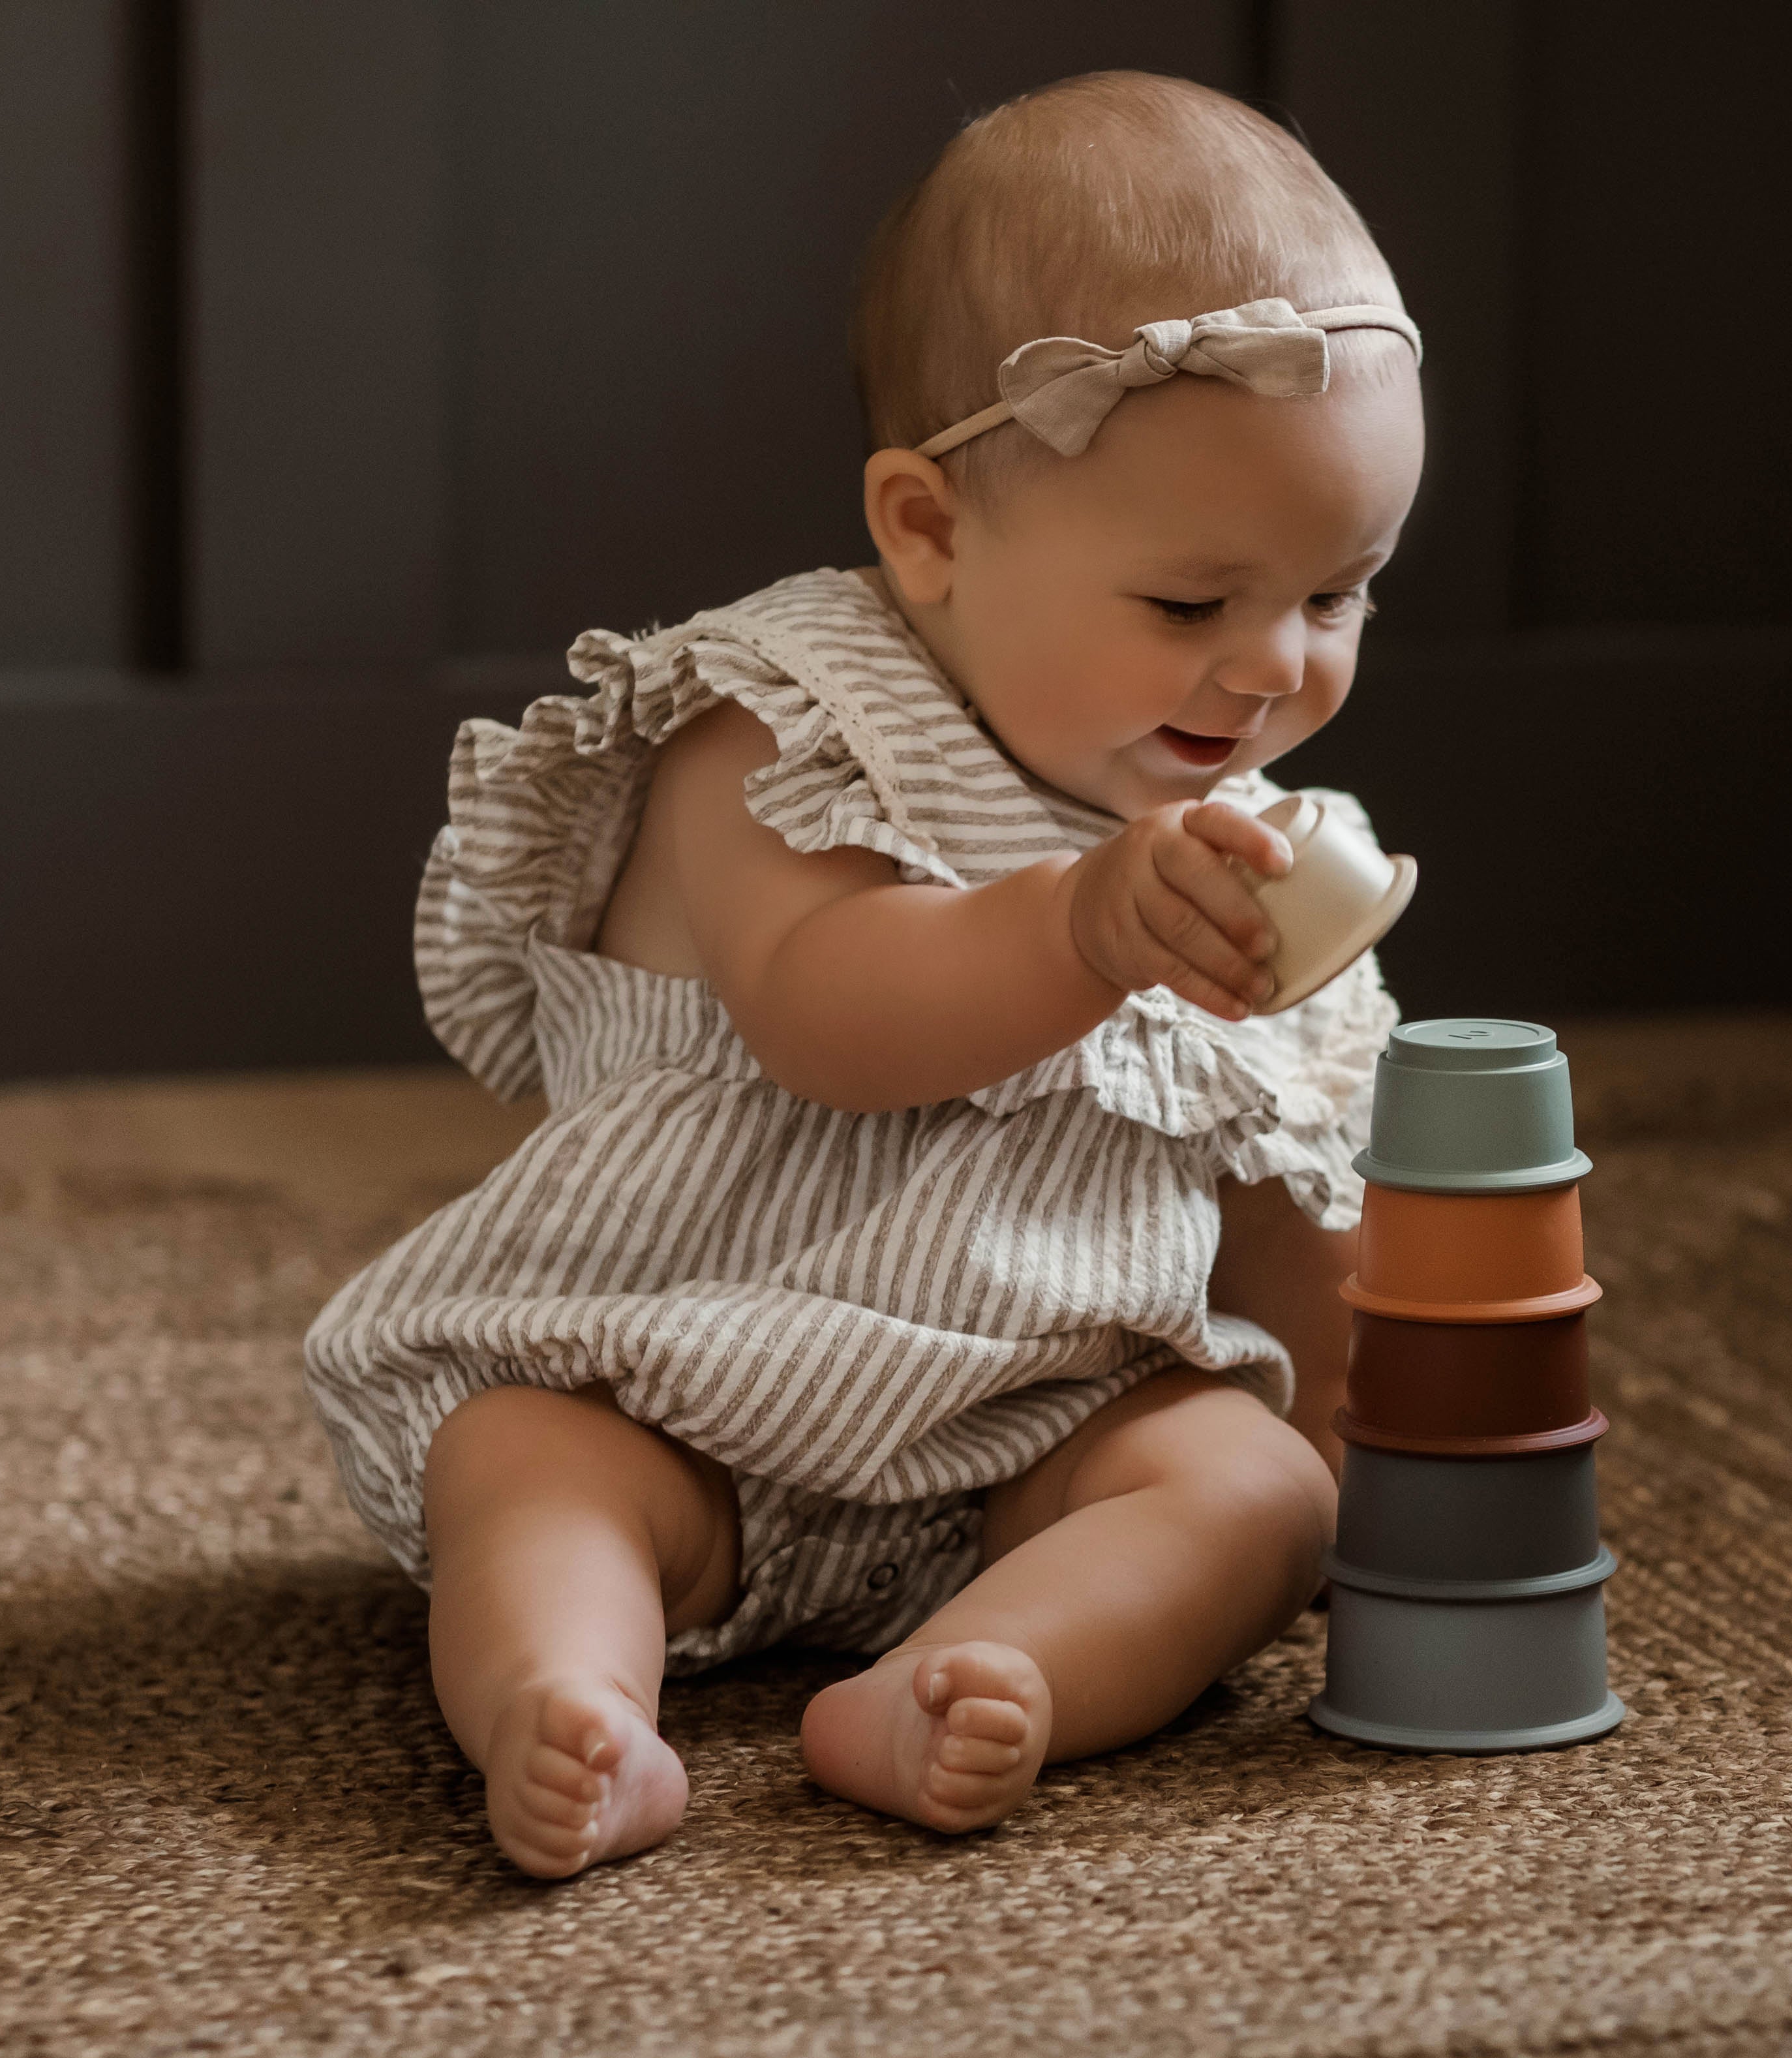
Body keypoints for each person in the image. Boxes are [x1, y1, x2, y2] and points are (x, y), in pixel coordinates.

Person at [303, 70, 1421, 1878]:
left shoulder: (1259, 848)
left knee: (1250, 1492)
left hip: (1027, 1446)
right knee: (523, 1464)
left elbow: (1282, 1181)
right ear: (929, 530)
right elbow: (831, 1019)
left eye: (1341, 593)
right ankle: (566, 1702)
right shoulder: (786, 720)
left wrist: (1373, 1433)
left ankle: (995, 1668)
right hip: (684, 1387)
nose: (1274, 668)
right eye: (1192, 605)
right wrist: (1076, 928)